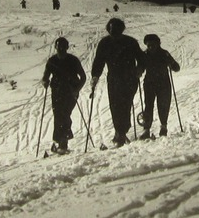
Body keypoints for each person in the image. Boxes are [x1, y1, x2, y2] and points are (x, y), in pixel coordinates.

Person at [91, 17, 144, 146]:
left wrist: (139, 69)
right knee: (115, 105)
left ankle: (121, 132)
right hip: (114, 78)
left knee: (125, 104)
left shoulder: (131, 42)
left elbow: (141, 58)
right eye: (111, 29)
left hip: (130, 77)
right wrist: (95, 76)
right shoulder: (104, 43)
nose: (113, 32)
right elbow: (99, 61)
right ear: (108, 29)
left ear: (121, 29)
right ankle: (119, 132)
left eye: (116, 29)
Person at [41, 36, 87, 154]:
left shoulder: (73, 60)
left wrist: (77, 89)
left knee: (64, 114)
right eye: (58, 47)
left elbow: (83, 77)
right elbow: (45, 76)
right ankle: (61, 141)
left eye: (63, 47)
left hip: (71, 92)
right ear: (55, 47)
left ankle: (62, 142)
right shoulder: (52, 61)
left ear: (67, 47)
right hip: (57, 92)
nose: (61, 49)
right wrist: (45, 82)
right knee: (58, 115)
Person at [138, 34, 180, 138]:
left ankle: (163, 127)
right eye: (149, 45)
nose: (151, 47)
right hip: (150, 83)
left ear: (158, 44)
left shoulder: (164, 54)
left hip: (163, 83)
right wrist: (138, 71)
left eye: (153, 45)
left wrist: (172, 64)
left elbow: (176, 67)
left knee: (163, 105)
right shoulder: (145, 55)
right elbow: (141, 67)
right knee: (148, 106)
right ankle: (146, 129)